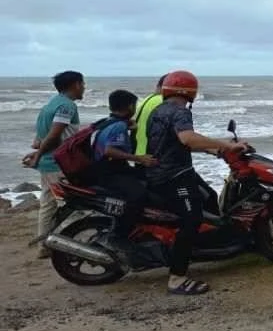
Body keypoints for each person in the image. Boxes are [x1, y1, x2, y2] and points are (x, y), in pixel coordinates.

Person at [144, 70, 248, 295]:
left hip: (163, 173)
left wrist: (215, 150)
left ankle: (213, 247)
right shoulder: (180, 111)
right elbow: (187, 138)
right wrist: (227, 145)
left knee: (209, 197)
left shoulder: (159, 110)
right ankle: (177, 278)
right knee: (192, 219)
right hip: (172, 177)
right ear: (190, 91)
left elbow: (175, 144)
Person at [84, 89, 159, 257]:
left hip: (106, 169)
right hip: (110, 172)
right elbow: (109, 150)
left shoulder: (107, 122)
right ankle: (120, 235)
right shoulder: (118, 126)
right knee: (138, 195)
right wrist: (139, 159)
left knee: (149, 180)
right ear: (130, 106)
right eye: (134, 105)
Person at [134, 74, 220, 214]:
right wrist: (225, 145)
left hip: (147, 162)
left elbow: (169, 138)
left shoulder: (148, 103)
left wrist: (209, 149)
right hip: (169, 168)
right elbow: (186, 137)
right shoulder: (174, 108)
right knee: (199, 208)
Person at [22, 70, 85, 258]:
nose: (84, 88)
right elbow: (55, 135)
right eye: (82, 84)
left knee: (48, 205)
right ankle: (68, 243)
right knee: (74, 204)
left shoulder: (49, 106)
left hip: (47, 164)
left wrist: (38, 153)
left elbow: (38, 139)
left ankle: (44, 246)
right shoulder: (67, 106)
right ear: (75, 85)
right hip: (60, 164)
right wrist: (38, 155)